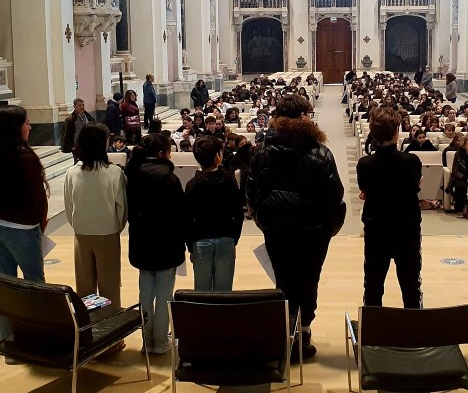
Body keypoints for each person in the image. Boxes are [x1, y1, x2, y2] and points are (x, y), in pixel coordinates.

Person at [248, 95, 345, 361]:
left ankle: (285, 334)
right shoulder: (320, 153)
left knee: (283, 279)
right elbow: (333, 197)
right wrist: (329, 228)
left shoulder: (261, 152)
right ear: (303, 117)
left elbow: (252, 193)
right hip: (313, 231)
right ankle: (303, 333)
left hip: (276, 229)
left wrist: (263, 221)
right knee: (309, 279)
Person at [0, 105, 49, 346]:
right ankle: (37, 338)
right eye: (27, 123)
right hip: (22, 230)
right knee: (34, 284)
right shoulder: (25, 157)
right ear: (15, 128)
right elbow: (37, 195)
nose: (30, 127)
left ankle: (8, 341)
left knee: (4, 286)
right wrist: (40, 222)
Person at [64, 123, 127, 343]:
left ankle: (88, 337)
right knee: (110, 288)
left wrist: (79, 225)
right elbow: (121, 207)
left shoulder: (72, 173)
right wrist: (115, 227)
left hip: (81, 234)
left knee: (85, 289)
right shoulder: (114, 172)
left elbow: (69, 206)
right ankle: (111, 339)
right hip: (107, 233)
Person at [126, 133, 188, 355]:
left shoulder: (133, 175)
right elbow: (180, 215)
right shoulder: (170, 179)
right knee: (164, 295)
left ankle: (147, 341)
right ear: (162, 154)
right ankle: (160, 341)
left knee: (145, 293)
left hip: (141, 242)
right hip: (166, 243)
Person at [356, 107, 423, 308]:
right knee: (411, 284)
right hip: (406, 229)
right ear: (396, 132)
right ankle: (413, 326)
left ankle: (373, 326)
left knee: (373, 284)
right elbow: (415, 187)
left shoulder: (364, 164)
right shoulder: (412, 161)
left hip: (377, 230)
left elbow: (365, 189)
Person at [185, 136, 243, 292]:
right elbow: (238, 213)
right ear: (218, 157)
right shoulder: (229, 180)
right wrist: (234, 239)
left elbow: (187, 219)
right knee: (223, 292)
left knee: (202, 291)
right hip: (226, 238)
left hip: (200, 241)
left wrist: (190, 246)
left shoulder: (192, 184)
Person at [449, 135, 468, 214]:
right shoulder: (458, 154)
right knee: (460, 186)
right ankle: (460, 207)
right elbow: (455, 171)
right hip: (462, 178)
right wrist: (466, 178)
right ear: (464, 145)